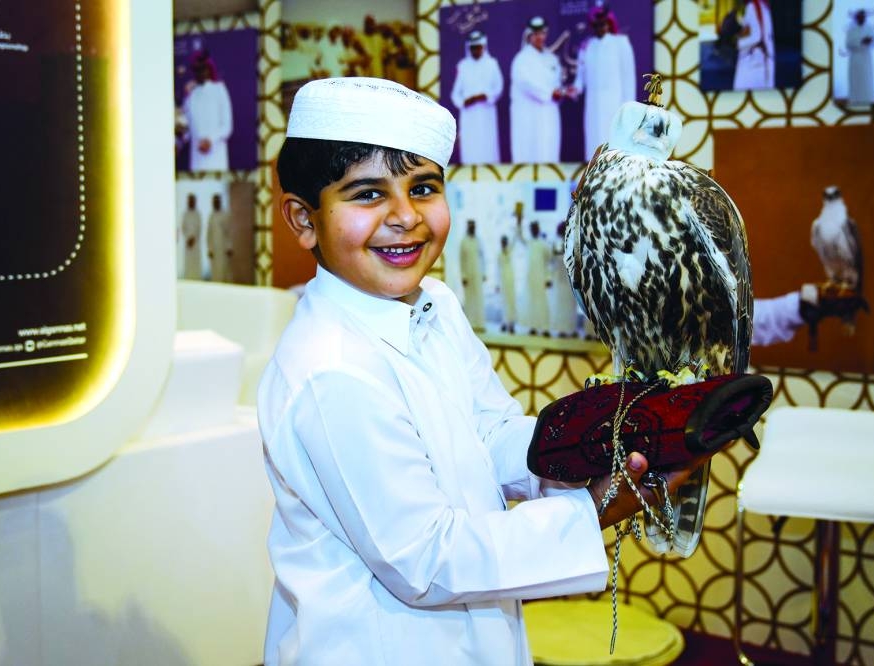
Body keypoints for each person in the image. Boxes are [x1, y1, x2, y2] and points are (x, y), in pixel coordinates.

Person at [260, 77, 708, 666]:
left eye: (423, 188)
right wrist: (594, 508)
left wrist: (604, 439)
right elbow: (426, 558)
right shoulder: (330, 372)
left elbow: (493, 433)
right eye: (367, 194)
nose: (405, 217)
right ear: (304, 220)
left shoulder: (436, 305)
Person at [570, 5, 637, 160]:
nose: (601, 27)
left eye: (603, 23)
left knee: (615, 149)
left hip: (616, 104)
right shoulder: (586, 47)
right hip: (593, 106)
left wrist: (629, 110)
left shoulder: (621, 43)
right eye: (597, 24)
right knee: (594, 147)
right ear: (592, 25)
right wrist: (573, 90)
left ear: (609, 23)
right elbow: (580, 80)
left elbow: (629, 79)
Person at [510, 16, 569, 163]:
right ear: (529, 36)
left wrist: (563, 92)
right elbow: (526, 83)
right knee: (529, 154)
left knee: (549, 153)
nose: (539, 37)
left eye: (542, 33)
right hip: (529, 117)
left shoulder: (551, 58)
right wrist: (550, 93)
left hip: (549, 115)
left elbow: (557, 83)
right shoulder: (521, 59)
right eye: (535, 34)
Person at [450, 30, 504, 164]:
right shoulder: (463, 66)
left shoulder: (492, 63)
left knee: (488, 148)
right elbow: (455, 94)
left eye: (478, 47)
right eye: (473, 47)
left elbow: (499, 87)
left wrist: (486, 96)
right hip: (469, 116)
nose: (476, 50)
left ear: (484, 47)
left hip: (487, 114)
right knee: (470, 149)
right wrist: (464, 102)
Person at [182, 50, 234, 172]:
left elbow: (227, 126)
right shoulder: (191, 95)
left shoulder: (219, 89)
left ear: (209, 68)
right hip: (197, 161)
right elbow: (187, 129)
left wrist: (210, 140)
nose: (201, 72)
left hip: (216, 158)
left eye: (203, 68)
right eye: (197, 69)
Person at [733, 0, 775, 90]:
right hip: (763, 59)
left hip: (753, 62)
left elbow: (757, 36)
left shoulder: (753, 6)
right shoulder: (763, 5)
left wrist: (738, 43)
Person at [519, 219, 551, 336]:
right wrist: (519, 221)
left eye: (535, 228)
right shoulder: (529, 242)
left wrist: (548, 278)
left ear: (538, 229)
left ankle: (545, 328)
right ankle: (533, 327)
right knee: (531, 302)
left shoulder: (544, 244)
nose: (534, 230)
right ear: (530, 230)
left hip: (541, 278)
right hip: (530, 278)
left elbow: (548, 263)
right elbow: (520, 237)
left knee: (542, 303)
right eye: (532, 228)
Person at [549, 221, 579, 337]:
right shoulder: (556, 243)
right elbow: (553, 259)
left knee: (571, 305)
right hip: (560, 278)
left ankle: (571, 329)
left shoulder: (573, 243)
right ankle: (561, 329)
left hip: (570, 279)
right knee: (560, 304)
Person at [458, 218, 487, 331]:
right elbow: (461, 260)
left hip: (478, 274)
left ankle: (480, 324)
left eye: (474, 226)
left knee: (479, 299)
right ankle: (470, 325)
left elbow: (483, 258)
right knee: (469, 300)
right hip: (468, 276)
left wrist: (484, 273)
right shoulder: (463, 241)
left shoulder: (478, 241)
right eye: (470, 226)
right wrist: (463, 276)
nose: (472, 228)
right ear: (467, 227)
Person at [845, 9, 874, 105]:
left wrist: (869, 41)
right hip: (855, 58)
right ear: (856, 18)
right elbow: (848, 44)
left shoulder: (870, 28)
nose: (862, 18)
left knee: (867, 80)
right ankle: (855, 101)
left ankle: (868, 100)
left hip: (866, 58)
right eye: (859, 16)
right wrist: (861, 41)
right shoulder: (851, 30)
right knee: (855, 80)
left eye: (863, 16)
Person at [207, 194, 234, 283]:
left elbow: (229, 232)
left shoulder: (225, 215)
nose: (215, 203)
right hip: (214, 250)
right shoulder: (211, 216)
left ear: (220, 202)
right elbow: (209, 234)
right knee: (215, 272)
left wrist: (229, 247)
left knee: (224, 271)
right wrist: (210, 249)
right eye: (214, 201)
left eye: (217, 201)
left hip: (224, 248)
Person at [497, 235, 518, 333]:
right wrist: (497, 284)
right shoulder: (499, 254)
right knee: (504, 302)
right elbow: (497, 270)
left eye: (505, 241)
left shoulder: (510, 250)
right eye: (503, 241)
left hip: (510, 280)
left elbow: (515, 239)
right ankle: (504, 323)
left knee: (511, 301)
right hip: (503, 281)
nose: (504, 243)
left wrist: (519, 223)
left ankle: (511, 324)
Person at [181, 194, 203, 280]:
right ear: (187, 202)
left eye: (192, 200)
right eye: (189, 200)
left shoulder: (198, 214)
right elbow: (183, 228)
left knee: (196, 263)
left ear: (195, 202)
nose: (191, 202)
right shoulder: (185, 214)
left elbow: (199, 228)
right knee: (188, 262)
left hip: (196, 242)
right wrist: (187, 238)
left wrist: (193, 239)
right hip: (187, 243)